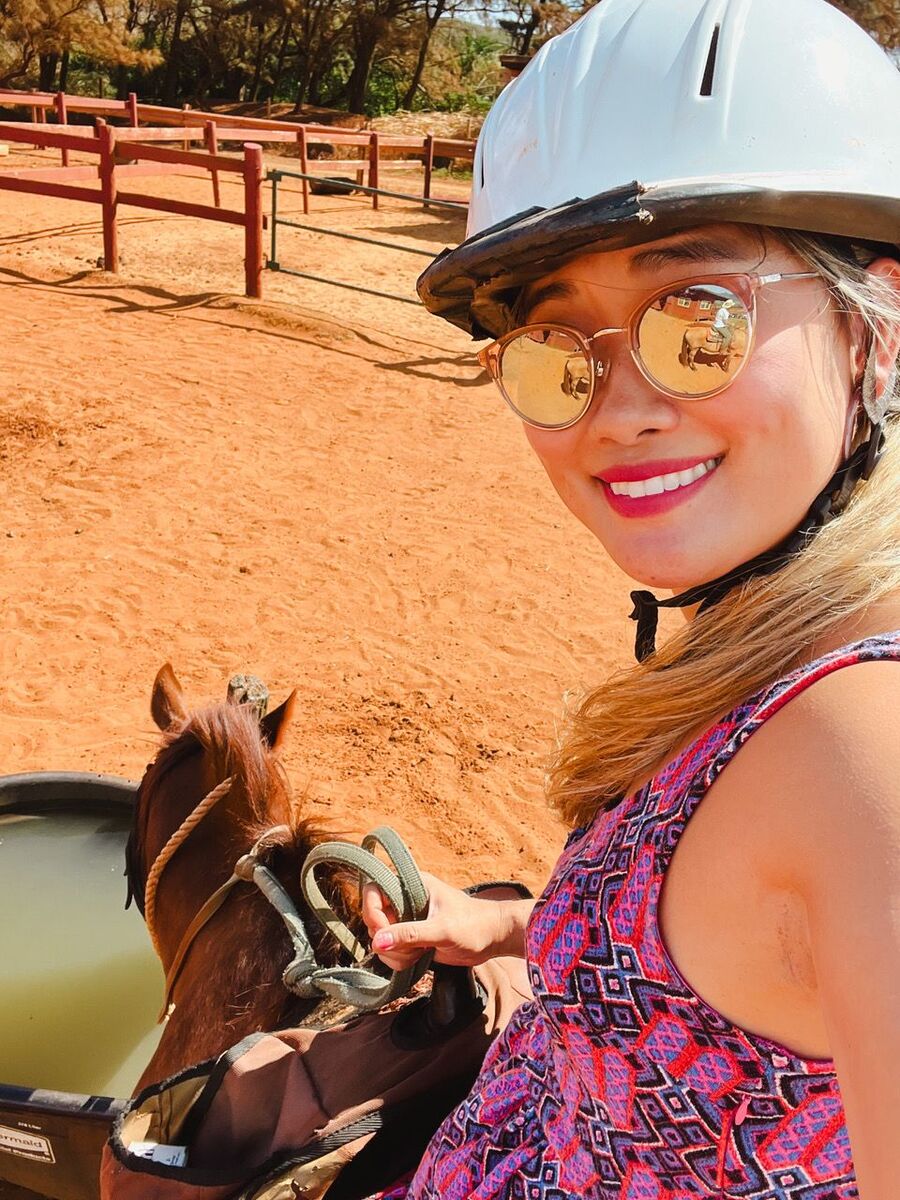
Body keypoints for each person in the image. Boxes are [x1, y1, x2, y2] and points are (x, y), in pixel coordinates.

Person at [362, 0, 900, 1196]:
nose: (617, 411)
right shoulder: (773, 647)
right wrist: (520, 927)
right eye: (557, 348)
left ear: (881, 327)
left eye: (698, 317)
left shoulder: (870, 755)